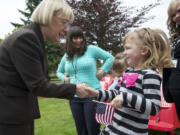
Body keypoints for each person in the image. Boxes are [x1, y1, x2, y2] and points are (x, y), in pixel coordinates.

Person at [0, 0, 95, 135]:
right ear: (49, 16)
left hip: (16, 113)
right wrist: (75, 88)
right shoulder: (26, 38)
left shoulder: (34, 38)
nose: (67, 29)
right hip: (10, 116)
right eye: (64, 22)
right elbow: (38, 85)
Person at [89, 28, 173, 135]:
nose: (124, 53)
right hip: (114, 128)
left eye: (127, 48)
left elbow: (154, 108)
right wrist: (96, 94)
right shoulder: (128, 72)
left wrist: (125, 98)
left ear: (144, 51)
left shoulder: (150, 75)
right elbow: (116, 93)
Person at [56, 26, 114, 135]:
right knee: (80, 129)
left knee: (92, 129)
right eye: (75, 38)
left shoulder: (91, 49)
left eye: (80, 37)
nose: (78, 40)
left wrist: (103, 70)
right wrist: (65, 79)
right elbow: (59, 72)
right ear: (70, 39)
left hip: (91, 95)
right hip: (74, 96)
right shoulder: (67, 55)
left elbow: (110, 58)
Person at [162, 0, 180, 120]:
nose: (177, 16)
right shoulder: (174, 38)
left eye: (179, 11)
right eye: (173, 14)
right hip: (176, 91)